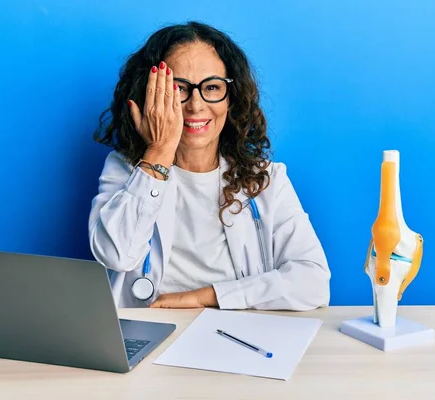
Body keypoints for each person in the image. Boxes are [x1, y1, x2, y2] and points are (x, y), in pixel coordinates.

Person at [88, 21, 330, 310]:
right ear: (151, 96)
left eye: (212, 87)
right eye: (178, 88)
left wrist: (206, 297)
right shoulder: (127, 170)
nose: (196, 105)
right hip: (151, 331)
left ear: (232, 98)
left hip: (237, 335)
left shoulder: (266, 179)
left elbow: (313, 282)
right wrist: (160, 150)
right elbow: (115, 255)